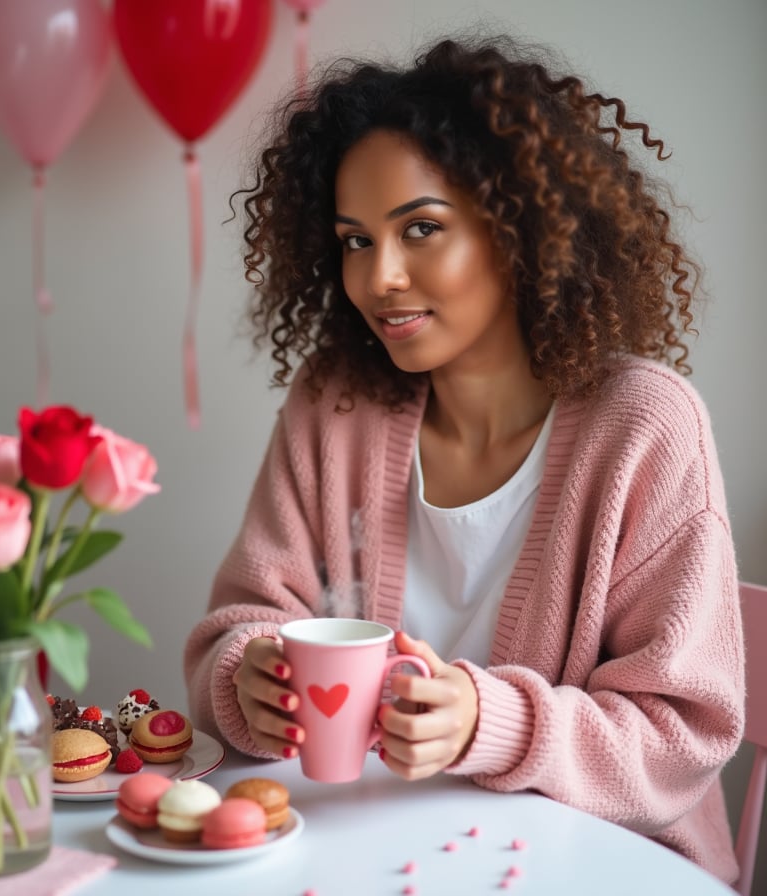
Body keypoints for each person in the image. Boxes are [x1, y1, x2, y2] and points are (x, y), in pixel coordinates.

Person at [183, 32, 744, 885]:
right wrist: (245, 676)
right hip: (370, 854)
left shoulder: (645, 429)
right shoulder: (334, 404)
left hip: (594, 866)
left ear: (518, 228)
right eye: (356, 241)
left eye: (420, 230)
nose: (381, 279)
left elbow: (682, 735)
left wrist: (494, 720)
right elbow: (245, 622)